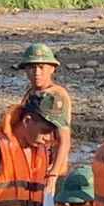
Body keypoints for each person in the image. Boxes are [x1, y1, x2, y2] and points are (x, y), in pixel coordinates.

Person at [19, 43, 72, 193]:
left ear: (52, 68)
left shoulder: (56, 97)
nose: (37, 73)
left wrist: (53, 174)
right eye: (32, 67)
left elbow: (64, 140)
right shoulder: (31, 94)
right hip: (35, 168)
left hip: (50, 169)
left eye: (42, 67)